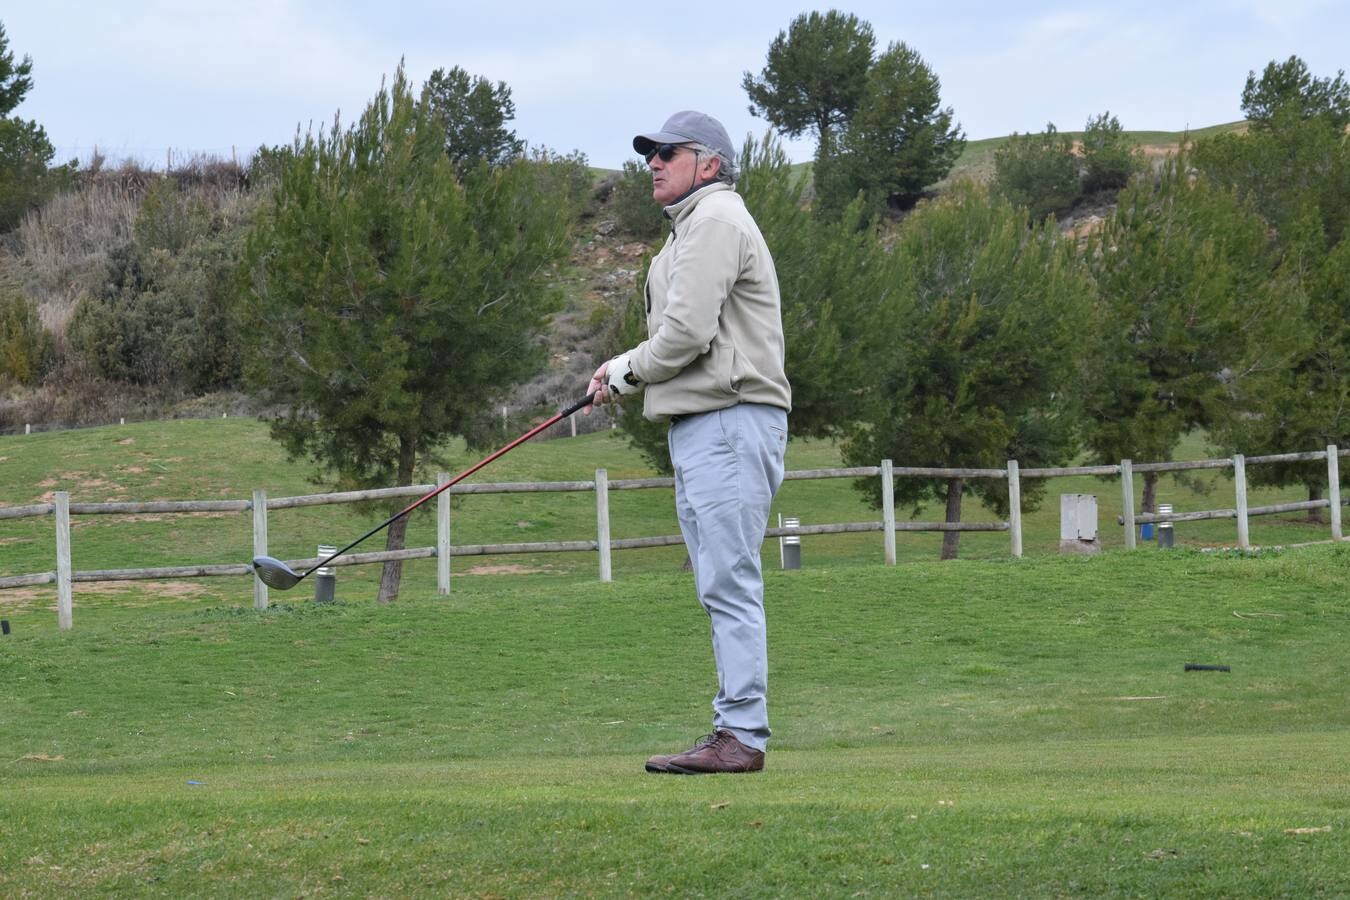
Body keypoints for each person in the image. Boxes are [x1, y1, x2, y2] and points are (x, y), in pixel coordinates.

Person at [588, 111, 791, 775]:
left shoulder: (715, 221)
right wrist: (621, 370)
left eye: (667, 152)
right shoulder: (692, 230)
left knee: (728, 581)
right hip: (708, 422)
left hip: (730, 419)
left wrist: (621, 372)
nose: (653, 161)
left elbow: (685, 335)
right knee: (718, 582)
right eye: (650, 152)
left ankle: (741, 736)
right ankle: (734, 729)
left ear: (708, 164)